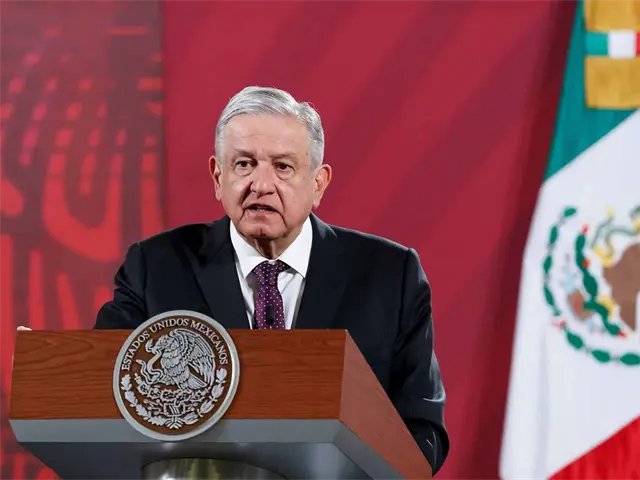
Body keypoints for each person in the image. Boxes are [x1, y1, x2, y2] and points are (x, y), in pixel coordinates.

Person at [94, 86, 449, 474]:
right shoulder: (155, 267)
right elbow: (96, 397)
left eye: (283, 166)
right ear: (218, 176)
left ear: (318, 183)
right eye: (244, 164)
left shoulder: (389, 276)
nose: (260, 184)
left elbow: (421, 432)